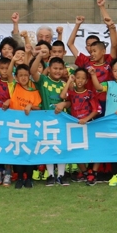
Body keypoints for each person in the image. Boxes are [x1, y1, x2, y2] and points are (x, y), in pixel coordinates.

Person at [89, 58, 117, 187]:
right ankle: (114, 175)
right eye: (115, 70)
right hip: (110, 124)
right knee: (113, 149)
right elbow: (98, 87)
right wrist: (93, 75)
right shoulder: (110, 84)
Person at [30, 48, 69, 186]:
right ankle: (51, 175)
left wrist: (64, 102)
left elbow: (72, 101)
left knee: (61, 147)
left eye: (60, 68)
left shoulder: (65, 84)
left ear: (64, 70)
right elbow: (33, 71)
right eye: (55, 68)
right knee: (49, 146)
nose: (57, 71)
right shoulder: (43, 80)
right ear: (49, 69)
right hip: (46, 121)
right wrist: (39, 56)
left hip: (62, 121)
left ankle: (62, 175)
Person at [57, 69, 102, 184]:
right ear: (75, 79)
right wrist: (69, 81)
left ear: (87, 80)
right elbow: (62, 95)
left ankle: (94, 172)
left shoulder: (90, 93)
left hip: (89, 125)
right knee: (76, 149)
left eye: (83, 78)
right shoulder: (72, 93)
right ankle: (85, 172)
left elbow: (96, 110)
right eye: (78, 78)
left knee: (95, 148)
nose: (80, 80)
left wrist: (86, 119)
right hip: (75, 127)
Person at [6, 64, 42, 189]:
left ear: (29, 76)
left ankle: (29, 178)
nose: (23, 78)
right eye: (20, 75)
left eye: (26, 75)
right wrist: (14, 60)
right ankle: (20, 177)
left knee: (29, 152)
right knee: (18, 152)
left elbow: (39, 107)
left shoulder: (34, 91)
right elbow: (8, 74)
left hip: (30, 127)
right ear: (16, 77)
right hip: (16, 126)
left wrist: (31, 106)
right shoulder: (14, 87)